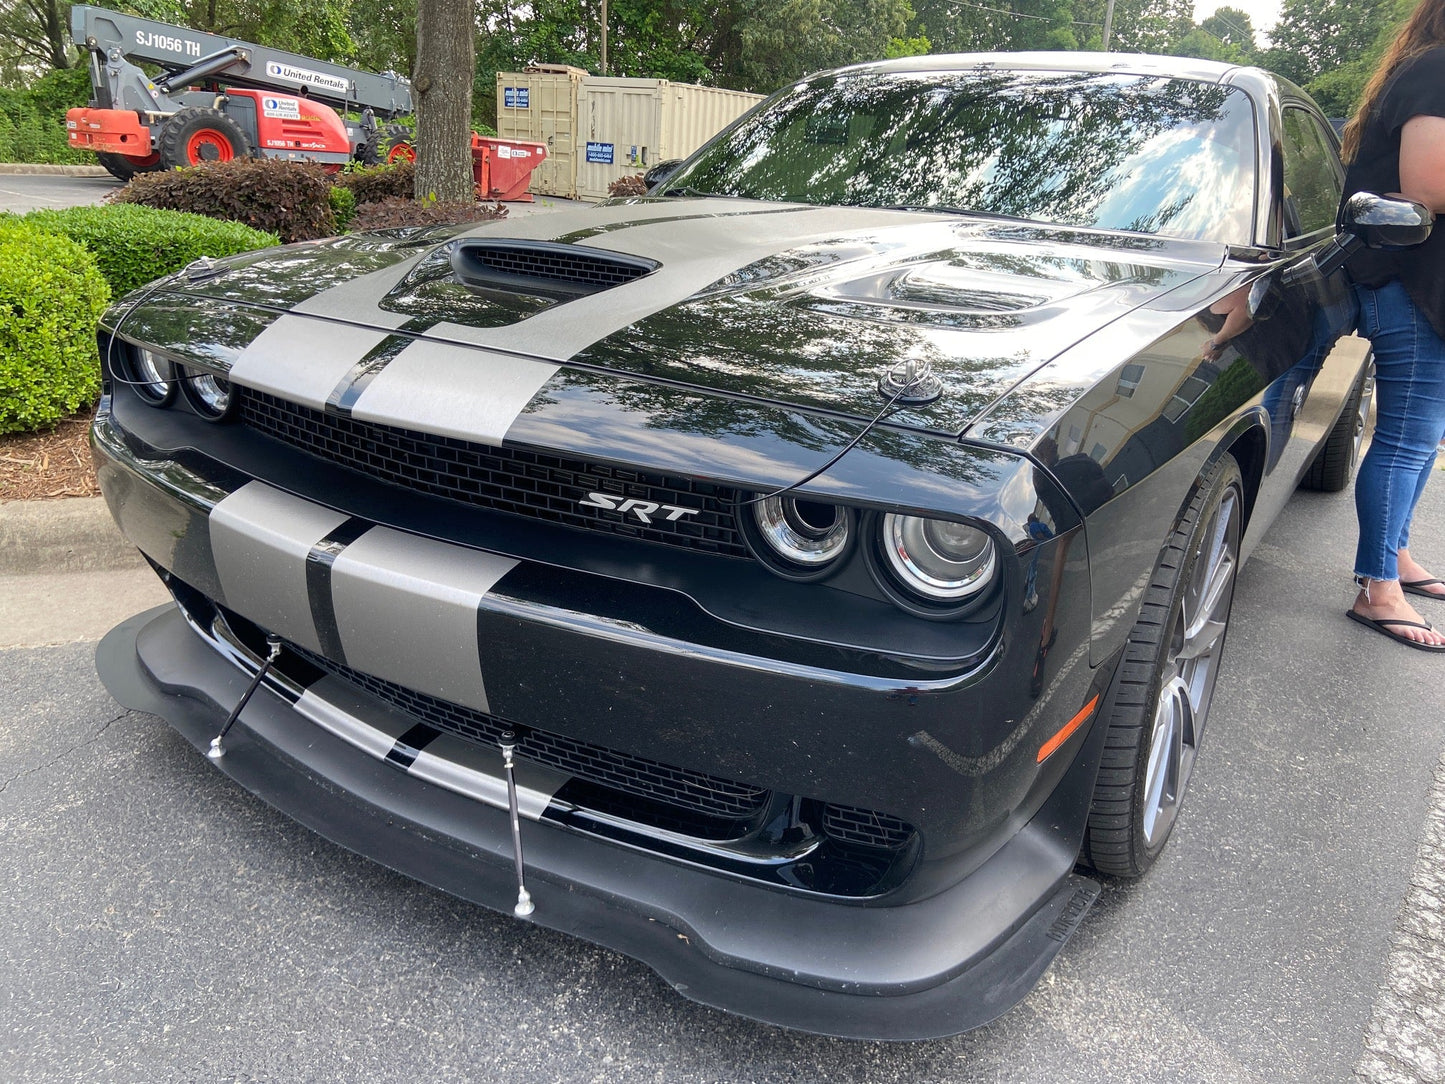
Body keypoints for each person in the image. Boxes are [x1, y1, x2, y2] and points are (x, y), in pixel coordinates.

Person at [1339, 0, 1445, 652]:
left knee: (1422, 436)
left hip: (1417, 283)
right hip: (1402, 281)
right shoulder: (1435, 70)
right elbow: (1424, 185)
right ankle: (1375, 587)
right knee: (1407, 436)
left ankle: (1395, 554)